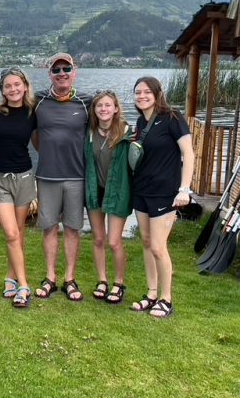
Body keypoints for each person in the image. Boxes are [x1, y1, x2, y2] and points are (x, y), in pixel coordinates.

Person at [129, 76, 194, 319]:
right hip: (142, 190)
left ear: (157, 94)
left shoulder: (173, 119)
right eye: (138, 92)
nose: (142, 96)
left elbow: (188, 154)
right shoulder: (140, 121)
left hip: (164, 192)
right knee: (146, 242)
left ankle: (166, 299)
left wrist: (184, 189)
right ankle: (152, 293)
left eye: (147, 92)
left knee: (158, 246)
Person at [32, 53, 92, 302]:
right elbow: (12, 106)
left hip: (76, 177)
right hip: (46, 176)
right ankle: (50, 278)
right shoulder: (37, 100)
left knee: (72, 229)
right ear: (50, 75)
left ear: (74, 72)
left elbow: (111, 119)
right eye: (56, 70)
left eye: (66, 68)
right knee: (48, 228)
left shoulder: (87, 102)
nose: (62, 73)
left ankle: (70, 279)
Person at [0, 66, 36, 308]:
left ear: (25, 86)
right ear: (2, 90)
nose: (13, 89)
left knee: (19, 232)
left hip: (24, 178)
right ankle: (24, 286)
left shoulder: (33, 112)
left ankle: (10, 276)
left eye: (17, 84)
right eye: (8, 86)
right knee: (11, 232)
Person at [84, 90, 133, 304]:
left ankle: (119, 282)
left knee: (114, 241)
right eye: (99, 106)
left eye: (107, 105)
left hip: (118, 191)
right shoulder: (89, 133)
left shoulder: (127, 132)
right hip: (96, 190)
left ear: (115, 108)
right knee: (98, 239)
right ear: (94, 110)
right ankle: (102, 280)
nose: (103, 109)